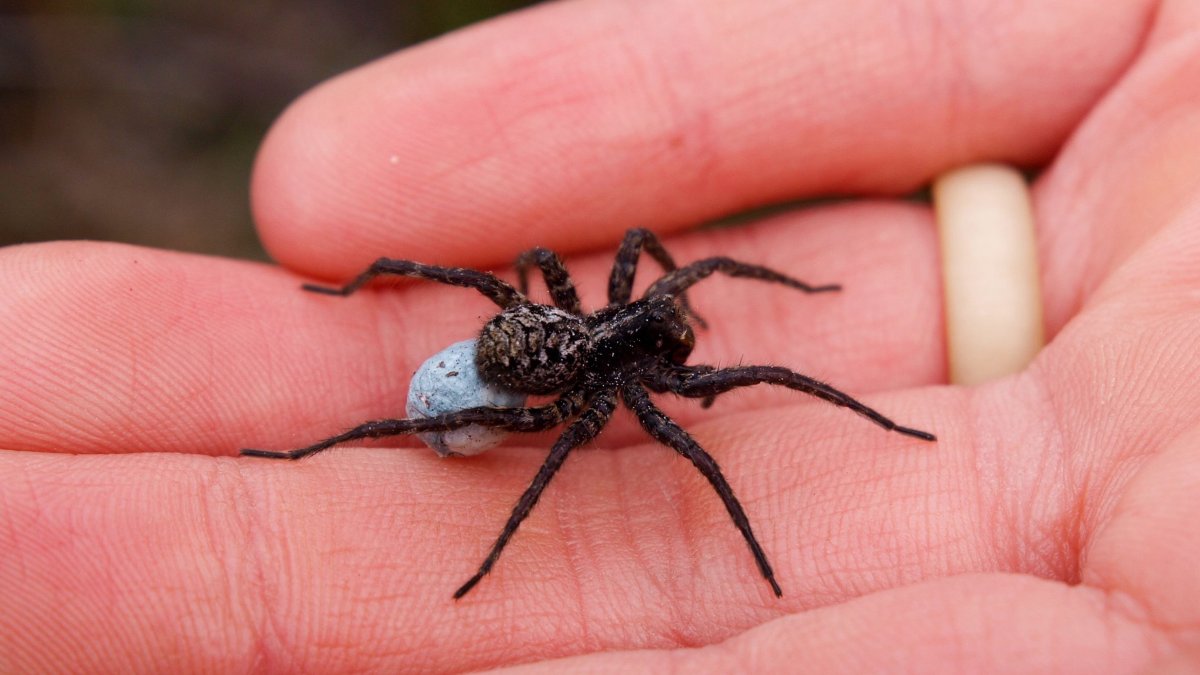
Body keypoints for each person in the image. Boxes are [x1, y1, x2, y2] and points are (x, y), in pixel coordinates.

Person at [3, 0, 1199, 671]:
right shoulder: (595, 391)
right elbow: (638, 421)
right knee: (566, 412)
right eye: (664, 314)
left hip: (557, 339)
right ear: (634, 321)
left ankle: (344, 401)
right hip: (522, 368)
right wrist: (495, 549)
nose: (679, 331)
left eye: (662, 308)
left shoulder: (622, 317)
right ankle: (313, 430)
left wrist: (708, 304)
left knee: (689, 321)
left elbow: (683, 275)